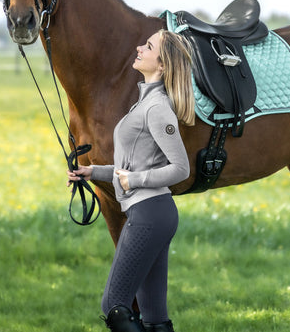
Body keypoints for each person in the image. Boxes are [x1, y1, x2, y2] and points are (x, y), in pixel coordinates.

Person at [67, 29, 195, 332]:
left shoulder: (157, 108)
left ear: (161, 65)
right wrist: (93, 172)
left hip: (151, 214)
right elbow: (130, 167)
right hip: (152, 212)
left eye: (148, 46)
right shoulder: (144, 103)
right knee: (153, 317)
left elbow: (181, 169)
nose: (139, 47)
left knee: (114, 305)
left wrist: (134, 179)